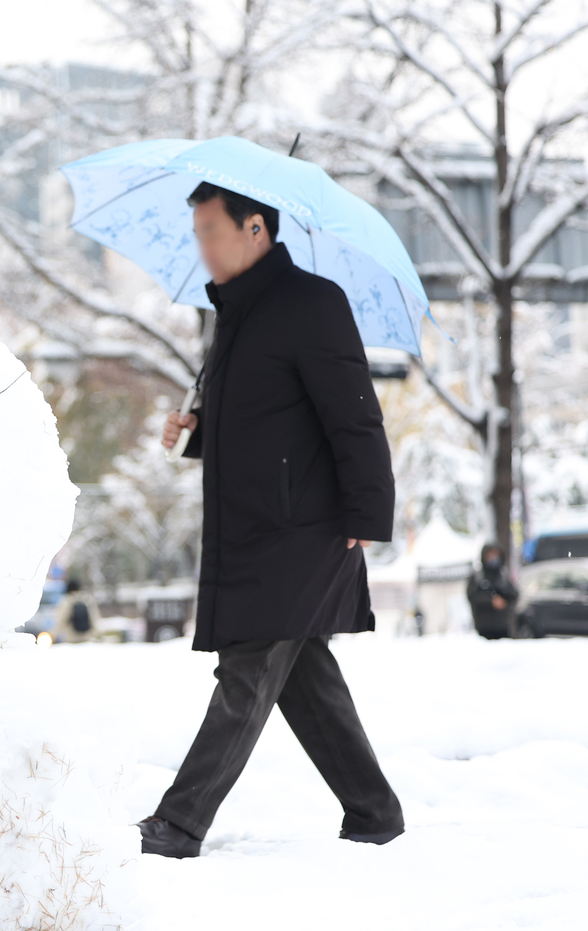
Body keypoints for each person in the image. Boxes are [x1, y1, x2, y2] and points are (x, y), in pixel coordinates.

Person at [138, 182, 404, 859]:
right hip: (254, 523)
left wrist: (368, 510)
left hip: (308, 526)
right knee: (303, 673)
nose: (200, 245)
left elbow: (353, 414)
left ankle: (178, 823)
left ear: (254, 228)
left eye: (209, 230)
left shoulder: (313, 304)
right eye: (195, 230)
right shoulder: (232, 314)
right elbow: (260, 421)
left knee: (249, 668)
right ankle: (374, 812)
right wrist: (195, 432)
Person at [466, 544, 518, 639]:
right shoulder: (478, 577)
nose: (493, 558)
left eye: (495, 554)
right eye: (490, 555)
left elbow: (514, 594)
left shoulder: (503, 575)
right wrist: (491, 601)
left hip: (503, 627)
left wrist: (503, 597)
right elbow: (472, 596)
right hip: (484, 629)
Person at [53, 578, 102, 643]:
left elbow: (61, 620)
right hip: (88, 639)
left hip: (72, 638)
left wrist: (53, 634)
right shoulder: (88, 599)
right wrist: (98, 634)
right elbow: (95, 617)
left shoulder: (67, 600)